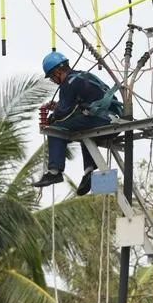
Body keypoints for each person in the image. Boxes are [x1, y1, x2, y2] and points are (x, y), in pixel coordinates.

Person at [32, 51, 123, 195]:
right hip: (114, 118)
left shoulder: (68, 83)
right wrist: (59, 106)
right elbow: (80, 105)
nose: (53, 81)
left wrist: (50, 120)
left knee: (56, 129)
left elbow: (63, 113)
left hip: (102, 119)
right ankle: (89, 171)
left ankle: (54, 171)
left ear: (57, 72)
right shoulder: (82, 76)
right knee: (83, 131)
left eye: (52, 77)